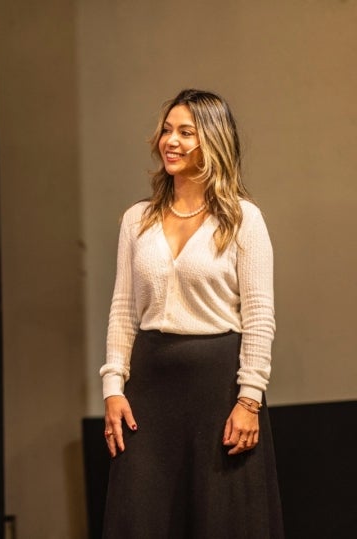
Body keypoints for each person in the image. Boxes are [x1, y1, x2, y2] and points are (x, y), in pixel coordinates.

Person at [99, 89, 283, 538]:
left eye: (186, 132)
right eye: (167, 130)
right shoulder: (136, 219)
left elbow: (259, 315)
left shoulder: (243, 218)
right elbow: (123, 310)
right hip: (149, 391)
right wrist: (112, 388)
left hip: (218, 391)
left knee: (222, 521)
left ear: (213, 143)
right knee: (142, 519)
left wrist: (248, 399)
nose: (171, 141)